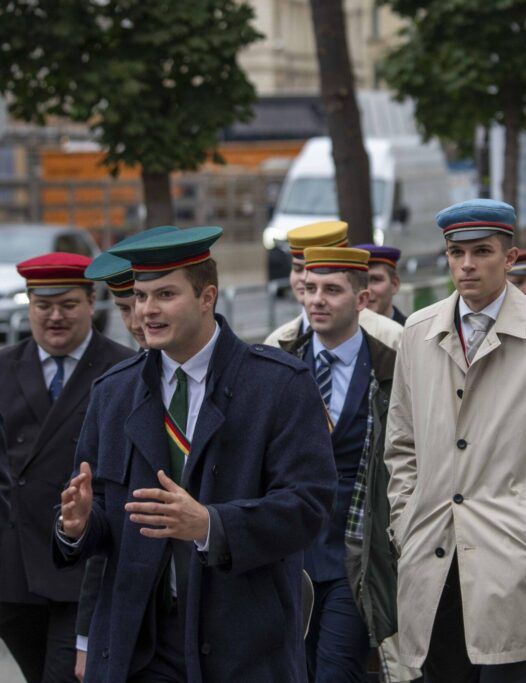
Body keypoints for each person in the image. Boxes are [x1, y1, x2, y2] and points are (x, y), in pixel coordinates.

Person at [53, 226, 336, 682]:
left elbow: (309, 506)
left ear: (208, 297)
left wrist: (210, 525)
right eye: (140, 296)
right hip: (138, 643)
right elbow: (104, 517)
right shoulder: (113, 392)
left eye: (165, 294)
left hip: (243, 640)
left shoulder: (279, 384)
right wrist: (78, 526)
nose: (147, 310)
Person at [385, 199, 526, 681]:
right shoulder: (418, 331)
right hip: (433, 554)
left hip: (512, 556)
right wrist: (407, 518)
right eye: (456, 252)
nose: (467, 264)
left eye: (481, 251)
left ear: (510, 258)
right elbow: (401, 443)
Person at [0, 252, 133, 683]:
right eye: (43, 305)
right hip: (15, 570)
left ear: (91, 303)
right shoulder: (4, 367)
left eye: (68, 304)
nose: (55, 317)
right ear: (29, 305)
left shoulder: (123, 368)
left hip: (84, 565)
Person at [275, 246, 393, 681]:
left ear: (362, 299)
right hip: (292, 553)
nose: (317, 300)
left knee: (337, 673)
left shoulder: (390, 366)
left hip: (356, 555)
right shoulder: (280, 365)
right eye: (310, 288)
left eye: (332, 290)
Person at [72, 226, 179, 681]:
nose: (138, 319)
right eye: (125, 306)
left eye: (149, 300)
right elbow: (107, 522)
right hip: (138, 616)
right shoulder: (115, 388)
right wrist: (86, 636)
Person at [264, 221, 402, 351]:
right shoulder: (276, 342)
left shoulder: (391, 338)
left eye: (331, 288)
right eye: (297, 269)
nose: (304, 278)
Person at [356, 244, 406, 325]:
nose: (367, 290)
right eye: (359, 280)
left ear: (394, 285)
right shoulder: (338, 331)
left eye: (375, 279)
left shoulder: (411, 330)